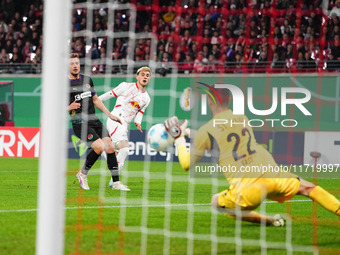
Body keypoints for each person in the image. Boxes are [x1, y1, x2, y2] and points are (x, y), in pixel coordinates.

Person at [164, 88, 340, 226]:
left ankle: (267, 221)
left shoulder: (206, 130)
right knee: (310, 189)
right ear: (229, 100)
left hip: (248, 190)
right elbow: (220, 138)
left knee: (215, 202)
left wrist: (179, 138)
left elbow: (187, 163)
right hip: (272, 174)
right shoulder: (242, 118)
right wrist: (187, 132)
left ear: (209, 101)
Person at [68, 53, 122, 190]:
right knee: (99, 147)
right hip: (79, 122)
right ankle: (82, 174)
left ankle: (116, 183)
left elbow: (96, 100)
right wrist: (68, 107)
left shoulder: (87, 80)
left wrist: (110, 115)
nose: (75, 66)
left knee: (110, 147)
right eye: (72, 64)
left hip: (94, 120)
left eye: (77, 63)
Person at [99, 66, 151, 190]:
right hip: (115, 119)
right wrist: (93, 101)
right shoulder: (125, 86)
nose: (145, 77)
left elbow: (139, 113)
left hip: (125, 125)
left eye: (147, 75)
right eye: (142, 74)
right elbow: (107, 96)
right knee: (125, 149)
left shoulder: (146, 98)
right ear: (137, 76)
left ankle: (100, 149)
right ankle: (115, 183)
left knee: (115, 153)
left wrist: (138, 122)